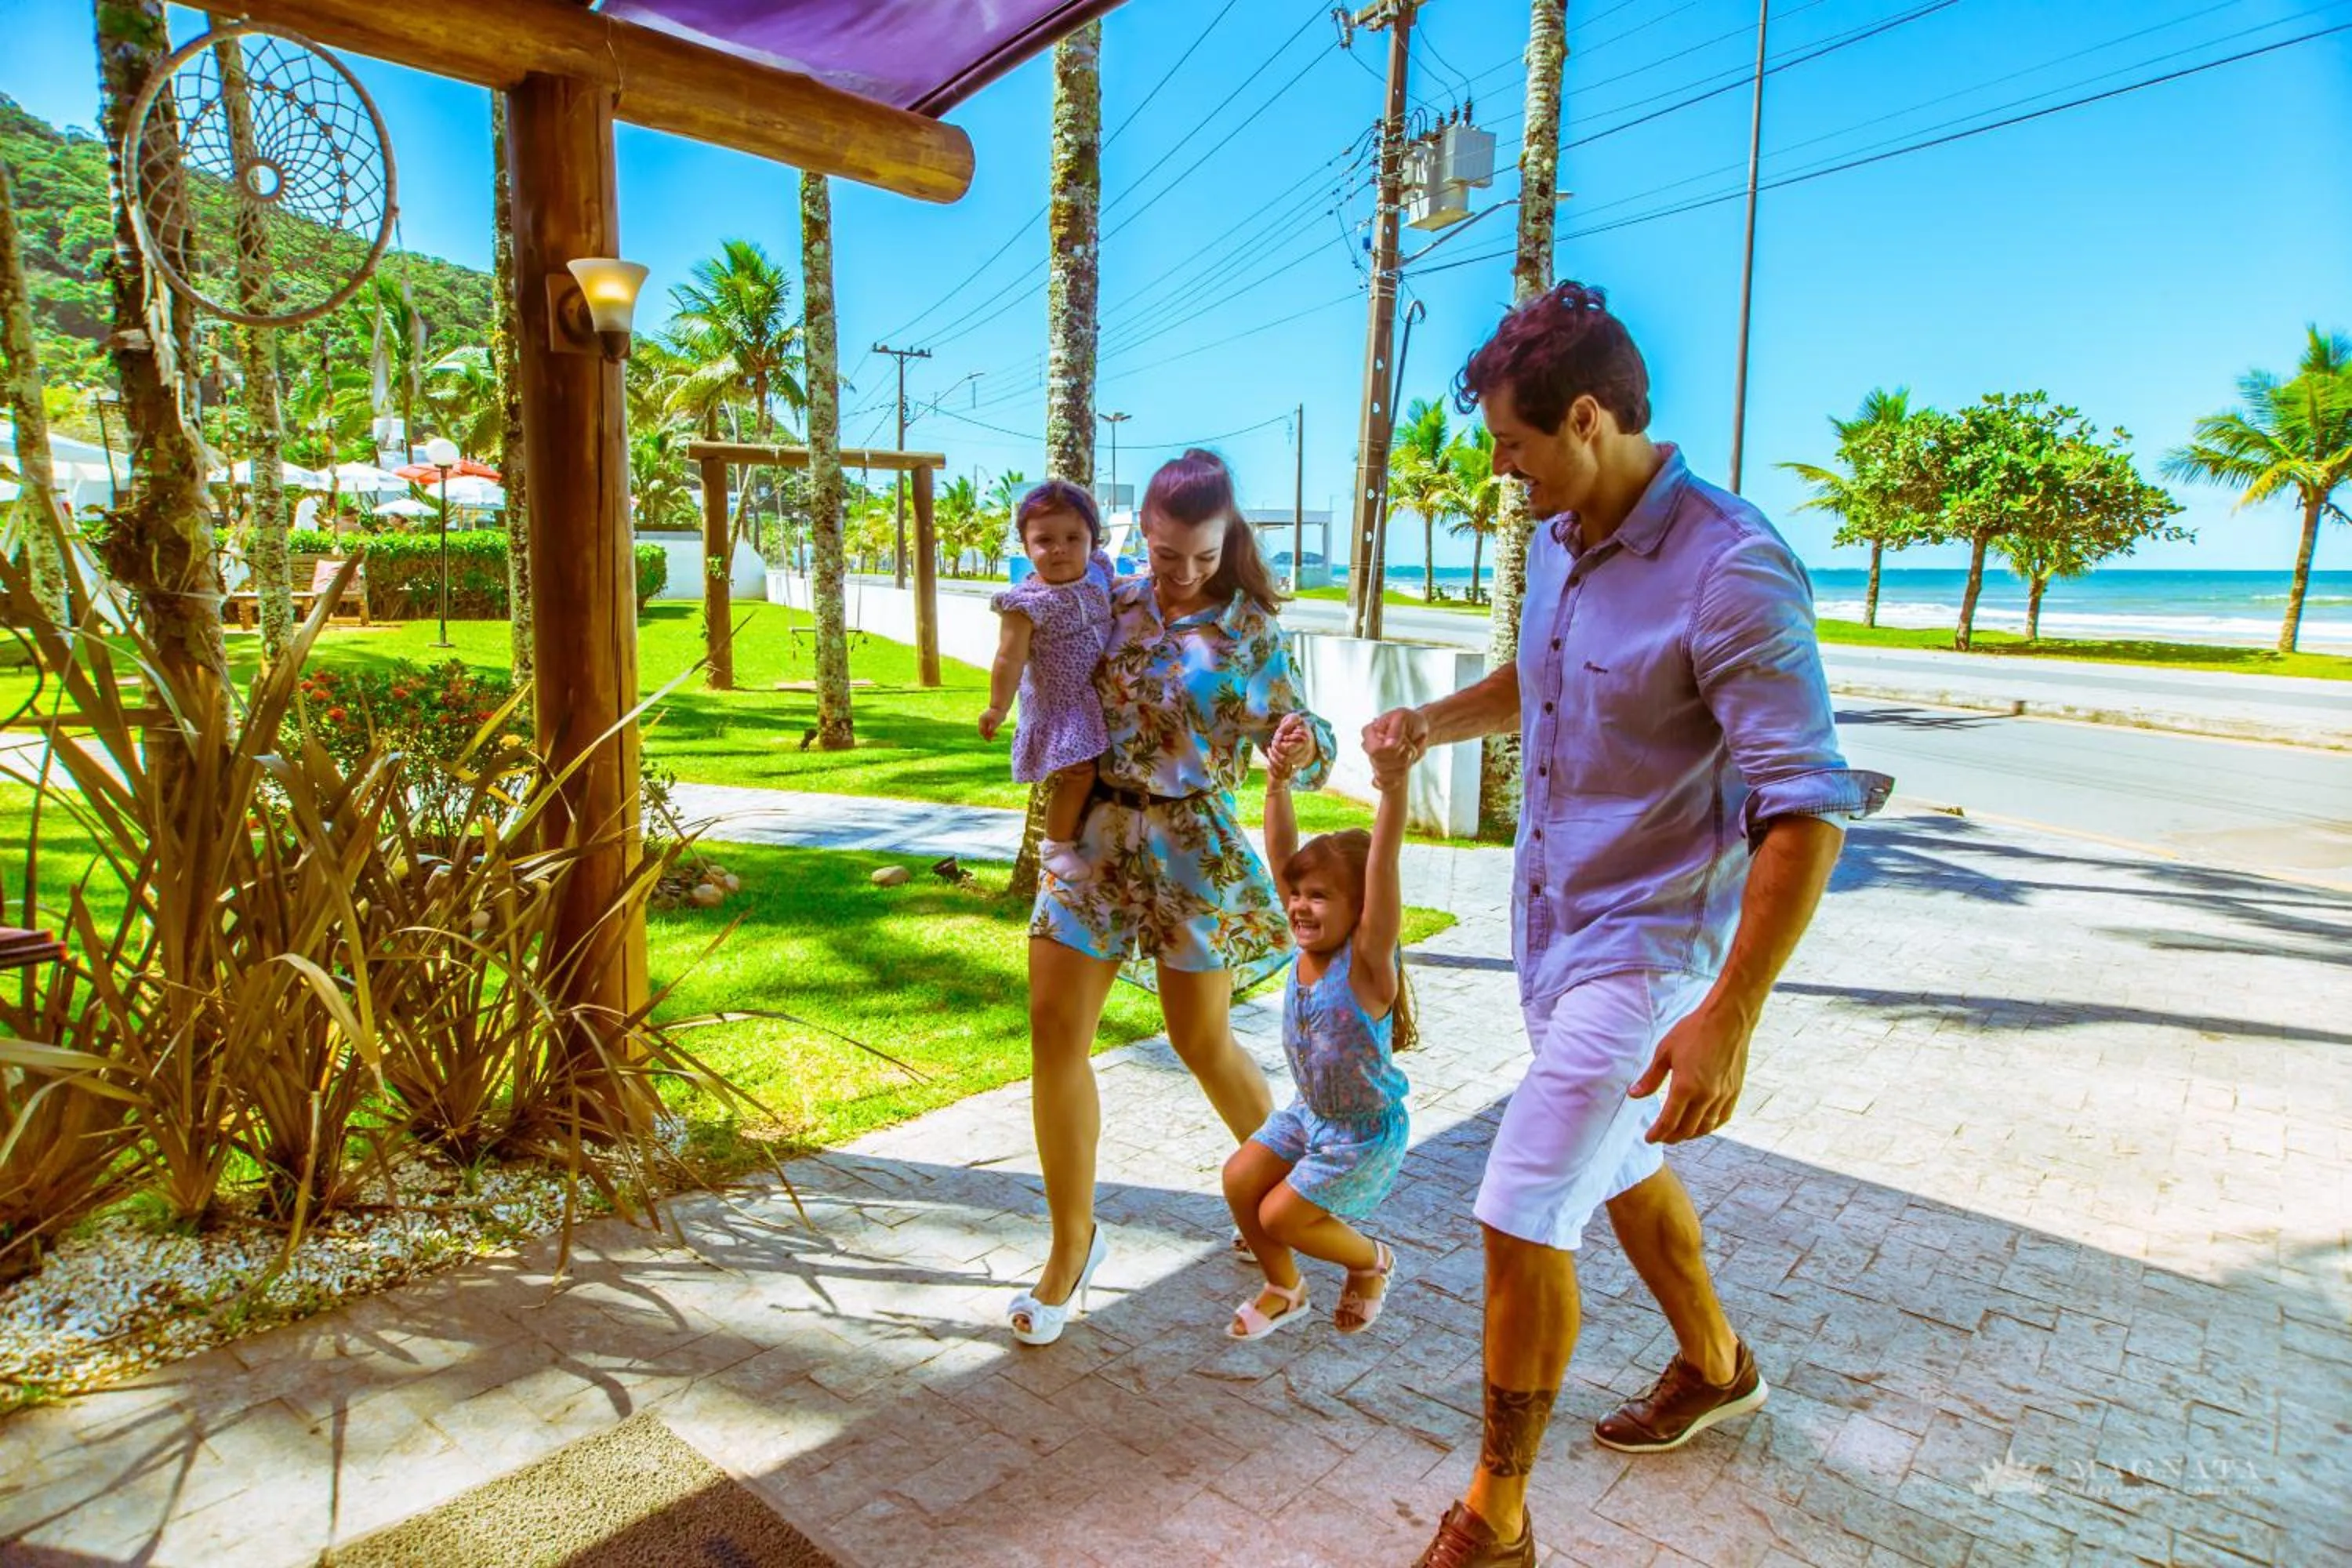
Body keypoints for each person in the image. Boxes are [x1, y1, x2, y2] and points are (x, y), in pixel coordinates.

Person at [1365, 282, 1893, 1568]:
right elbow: (1542, 678)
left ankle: (1495, 1518)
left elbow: (1806, 805)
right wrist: (1430, 723)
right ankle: (1716, 1365)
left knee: (1520, 1199)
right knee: (1619, 1159)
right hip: (1555, 934)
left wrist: (1731, 1013)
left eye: (1515, 444)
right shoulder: (1560, 540)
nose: (1502, 472)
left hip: (1654, 951)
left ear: (1589, 417)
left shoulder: (1731, 568)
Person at [1008, 448, 1338, 1346]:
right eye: (1165, 554)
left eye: (1203, 555)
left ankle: (1281, 1189)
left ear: (1228, 540)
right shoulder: (1105, 600)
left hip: (1192, 845)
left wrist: (1304, 744)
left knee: (1201, 1039)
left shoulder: (1250, 631)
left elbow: (1305, 729)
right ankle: (1073, 1245)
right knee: (1054, 1032)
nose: (1183, 571)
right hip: (1093, 837)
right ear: (1140, 536)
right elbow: (1038, 644)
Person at [1221, 719, 1414, 1340]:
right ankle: (1286, 1288)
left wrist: (1394, 787)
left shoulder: (1366, 967)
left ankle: (1372, 1262)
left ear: (1361, 911)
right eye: (1297, 894)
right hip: (1311, 1114)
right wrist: (1277, 783)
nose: (1300, 905)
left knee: (1281, 1215)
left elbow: (1383, 864)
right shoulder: (1307, 946)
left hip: (1362, 1132)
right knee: (1239, 1179)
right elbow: (1282, 855)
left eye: (1320, 896)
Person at [979, 480, 1116, 884]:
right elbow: (1008, 659)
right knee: (1078, 773)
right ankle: (1055, 845)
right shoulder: (1026, 604)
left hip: (1098, 695)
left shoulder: (1098, 572)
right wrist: (997, 707)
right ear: (1026, 546)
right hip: (1061, 704)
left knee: (1102, 772)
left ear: (1092, 541)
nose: (1059, 549)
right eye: (1045, 540)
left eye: (1073, 538)